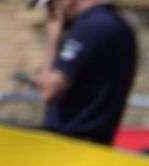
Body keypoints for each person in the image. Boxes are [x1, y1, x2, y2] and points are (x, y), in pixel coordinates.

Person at [31, 0, 137, 145]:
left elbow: (50, 90)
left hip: (70, 143)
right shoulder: (118, 25)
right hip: (97, 142)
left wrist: (53, 37)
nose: (51, 14)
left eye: (51, 6)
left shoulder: (88, 28)